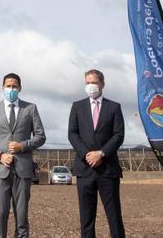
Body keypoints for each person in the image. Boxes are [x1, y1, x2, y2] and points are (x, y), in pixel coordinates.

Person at [0, 72, 45, 238]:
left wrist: (23, 145)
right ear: (2, 88)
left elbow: (41, 136)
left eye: (14, 86)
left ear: (20, 88)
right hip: (0, 171)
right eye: (8, 86)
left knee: (22, 219)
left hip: (22, 171)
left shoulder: (30, 108)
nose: (11, 89)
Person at [68, 69, 125, 238]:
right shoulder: (77, 106)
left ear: (102, 84)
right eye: (87, 83)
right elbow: (72, 133)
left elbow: (119, 135)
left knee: (114, 215)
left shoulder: (114, 107)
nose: (90, 86)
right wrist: (87, 155)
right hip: (84, 170)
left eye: (94, 82)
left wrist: (101, 153)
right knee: (86, 217)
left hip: (107, 169)